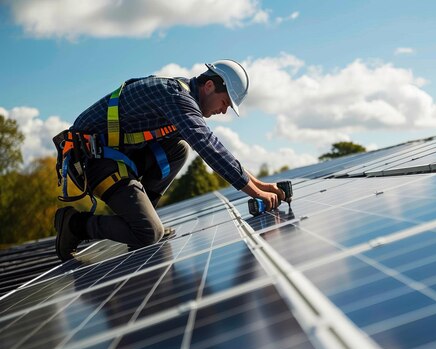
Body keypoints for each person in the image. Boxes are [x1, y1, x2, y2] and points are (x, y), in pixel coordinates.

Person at [53, 59, 285, 262]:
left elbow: (215, 148)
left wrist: (261, 186)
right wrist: (255, 193)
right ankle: (74, 224)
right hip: (95, 159)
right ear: (209, 86)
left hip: (121, 156)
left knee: (178, 148)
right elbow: (209, 147)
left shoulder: (181, 96)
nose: (223, 111)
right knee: (148, 234)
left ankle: (142, 214)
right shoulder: (176, 97)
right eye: (225, 103)